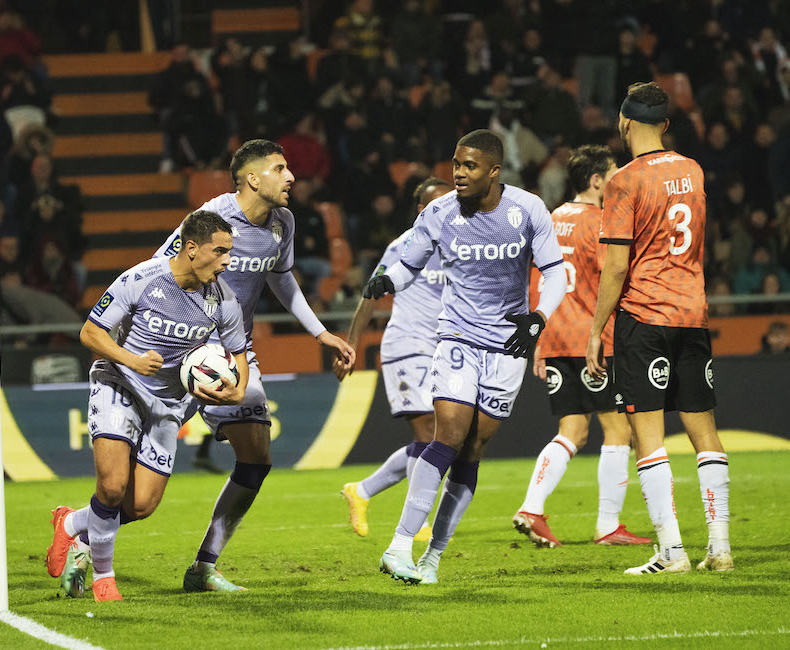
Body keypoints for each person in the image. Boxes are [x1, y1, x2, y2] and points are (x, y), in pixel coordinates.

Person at [364, 129, 567, 584]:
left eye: (469, 166)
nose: (458, 173)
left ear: (494, 171)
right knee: (449, 436)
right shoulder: (438, 213)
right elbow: (409, 264)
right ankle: (399, 546)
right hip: (457, 336)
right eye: (456, 163)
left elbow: (556, 273)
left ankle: (432, 558)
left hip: (508, 346)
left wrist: (538, 317)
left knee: (473, 449)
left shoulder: (527, 209)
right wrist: (388, 281)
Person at [159, 139, 355, 592]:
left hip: (233, 353)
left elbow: (280, 278)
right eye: (280, 168)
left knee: (255, 458)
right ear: (252, 178)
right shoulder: (212, 216)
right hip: (184, 349)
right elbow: (159, 269)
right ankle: (82, 532)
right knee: (141, 483)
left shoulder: (283, 222)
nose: (291, 177)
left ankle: (203, 567)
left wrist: (320, 332)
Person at [46, 210, 249, 601]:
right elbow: (90, 332)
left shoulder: (224, 300)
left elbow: (238, 355)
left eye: (230, 252)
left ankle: (71, 524)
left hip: (168, 405)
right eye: (220, 251)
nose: (227, 261)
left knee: (140, 505)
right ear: (192, 248)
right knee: (112, 486)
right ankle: (104, 578)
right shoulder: (141, 279)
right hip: (120, 384)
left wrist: (237, 392)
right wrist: (132, 360)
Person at [586, 82, 732, 575]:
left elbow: (615, 268)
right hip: (692, 314)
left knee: (647, 435)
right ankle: (720, 548)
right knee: (704, 432)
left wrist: (596, 330)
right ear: (666, 124)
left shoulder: (623, 181)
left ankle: (672, 552)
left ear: (623, 122)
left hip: (645, 317)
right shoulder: (693, 170)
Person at [512, 145, 651, 548]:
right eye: (613, 174)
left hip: (556, 337)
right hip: (594, 339)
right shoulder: (601, 222)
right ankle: (607, 525)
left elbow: (536, 284)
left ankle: (532, 508)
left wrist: (540, 342)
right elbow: (614, 277)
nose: (617, 181)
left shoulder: (552, 219)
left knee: (571, 430)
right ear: (596, 181)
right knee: (618, 430)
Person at [337, 177, 452, 540]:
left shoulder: (461, 245)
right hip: (407, 345)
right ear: (421, 210)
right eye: (435, 203)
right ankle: (417, 522)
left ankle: (362, 491)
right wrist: (351, 344)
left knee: (443, 437)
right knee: (427, 431)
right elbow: (372, 295)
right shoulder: (405, 245)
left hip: (444, 349)